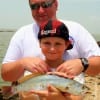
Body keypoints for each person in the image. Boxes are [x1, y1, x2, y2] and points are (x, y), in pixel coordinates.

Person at [1, 0, 100, 99]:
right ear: (39, 44)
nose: (40, 10)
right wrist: (22, 63)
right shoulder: (21, 34)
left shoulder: (77, 29)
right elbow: (6, 75)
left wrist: (82, 63)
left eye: (45, 4)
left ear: (56, 4)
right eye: (34, 6)